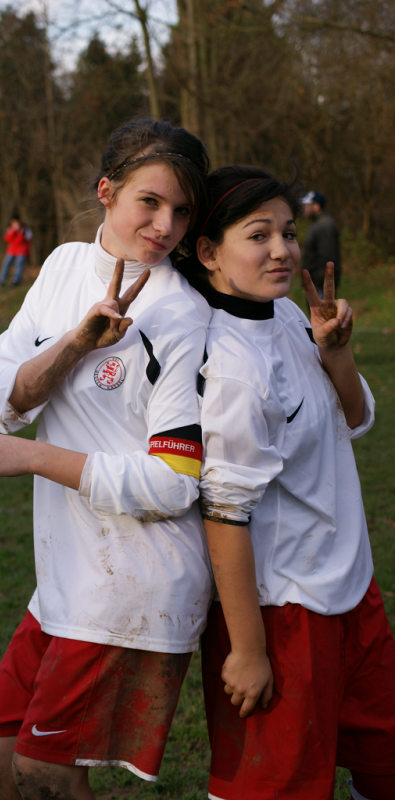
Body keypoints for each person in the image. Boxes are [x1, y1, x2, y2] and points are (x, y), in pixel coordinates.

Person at [0, 119, 215, 800]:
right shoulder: (64, 266)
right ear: (106, 191)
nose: (165, 226)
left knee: (44, 774)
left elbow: (173, 483)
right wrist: (76, 344)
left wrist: (35, 456)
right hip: (66, 574)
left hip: (133, 580)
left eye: (182, 211)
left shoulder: (180, 315)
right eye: (150, 202)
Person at [181, 165, 395, 800]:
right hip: (282, 610)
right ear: (209, 253)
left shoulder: (289, 316)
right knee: (277, 788)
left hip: (351, 587)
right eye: (258, 235)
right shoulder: (231, 365)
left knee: (384, 763)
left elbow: (353, 419)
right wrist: (248, 650)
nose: (281, 249)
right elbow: (224, 512)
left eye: (288, 232)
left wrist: (335, 350)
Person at [302, 189, 341, 296]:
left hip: (320, 285)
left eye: (307, 205)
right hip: (315, 283)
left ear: (316, 206)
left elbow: (327, 258)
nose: (305, 208)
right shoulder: (317, 224)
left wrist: (317, 283)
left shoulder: (324, 226)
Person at [0, 214, 33, 287]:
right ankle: (2, 280)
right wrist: (14, 231)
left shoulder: (25, 230)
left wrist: (17, 234)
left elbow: (21, 240)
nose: (14, 224)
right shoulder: (10, 229)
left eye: (15, 222)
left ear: (19, 222)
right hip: (11, 251)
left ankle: (16, 281)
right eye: (13, 222)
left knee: (19, 265)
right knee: (6, 264)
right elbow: (7, 238)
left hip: (22, 251)